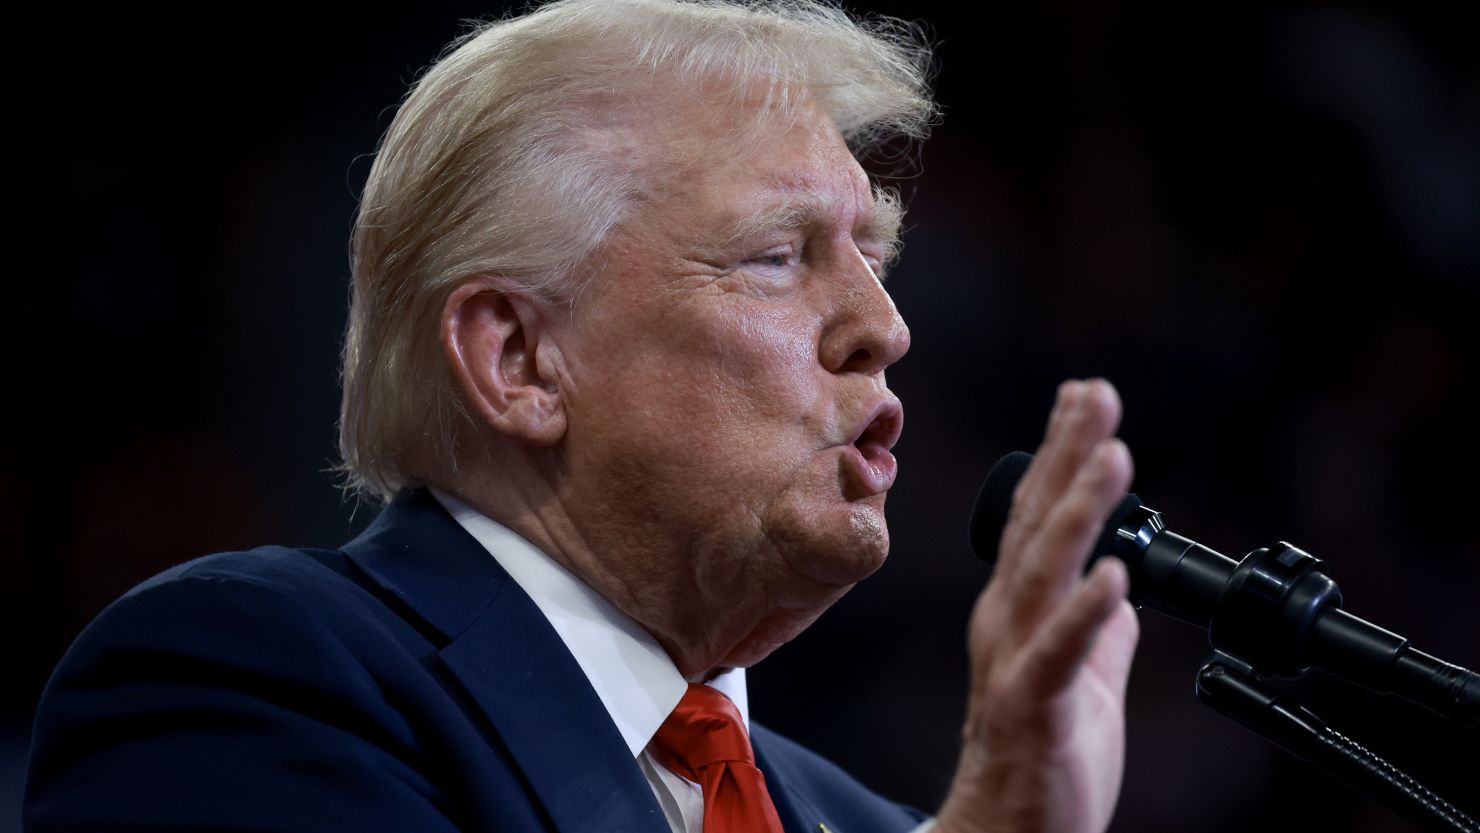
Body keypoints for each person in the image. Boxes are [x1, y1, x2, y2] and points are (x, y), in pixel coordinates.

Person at [25, 1, 1139, 832]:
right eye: (774, 255)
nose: (882, 325)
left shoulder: (871, 821)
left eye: (874, 256)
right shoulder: (247, 674)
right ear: (518, 359)